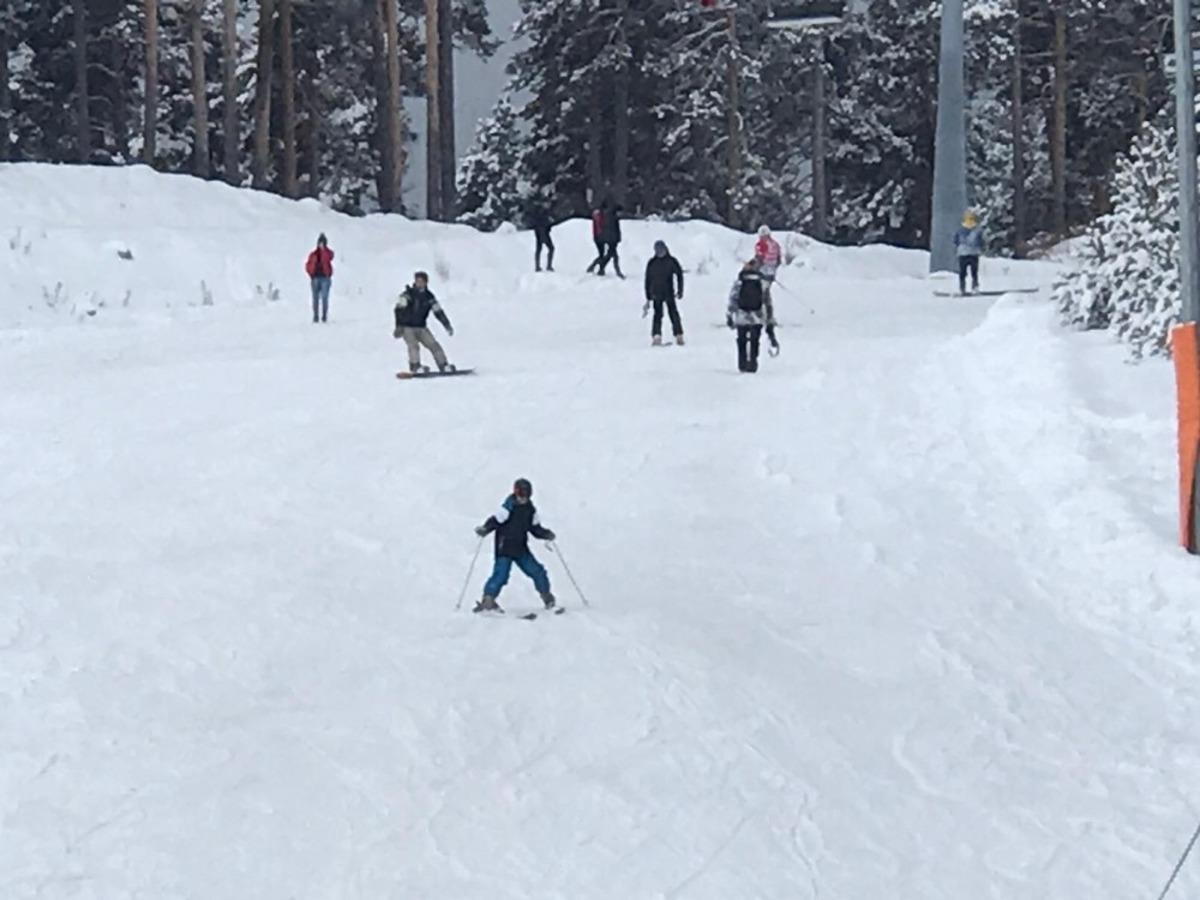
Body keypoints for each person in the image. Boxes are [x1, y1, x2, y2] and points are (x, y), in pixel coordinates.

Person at [473, 478, 557, 614]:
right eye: (521, 494)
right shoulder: (508, 506)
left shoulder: (530, 510)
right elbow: (495, 520)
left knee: (537, 571)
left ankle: (547, 598)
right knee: (501, 575)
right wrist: (485, 529)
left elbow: (535, 528)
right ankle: (488, 601)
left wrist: (546, 534)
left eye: (526, 495)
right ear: (516, 492)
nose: (523, 498)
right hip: (504, 547)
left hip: (520, 548)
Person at [393, 271, 456, 374]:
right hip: (407, 327)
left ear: (426, 282)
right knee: (413, 346)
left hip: (421, 327)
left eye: (422, 281)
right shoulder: (408, 295)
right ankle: (415, 366)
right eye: (417, 281)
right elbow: (398, 310)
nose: (419, 283)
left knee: (434, 345)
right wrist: (399, 326)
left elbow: (438, 312)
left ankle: (443, 365)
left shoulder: (429, 297)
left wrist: (446, 325)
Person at [726, 259, 776, 374]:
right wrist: (769, 320)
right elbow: (767, 302)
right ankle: (753, 363)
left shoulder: (739, 281)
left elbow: (733, 299)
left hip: (742, 316)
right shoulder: (762, 282)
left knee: (741, 340)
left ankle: (742, 363)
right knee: (755, 340)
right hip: (757, 315)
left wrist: (730, 315)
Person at [644, 240, 685, 346]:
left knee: (673, 314)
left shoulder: (671, 261)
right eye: (658, 250)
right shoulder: (652, 263)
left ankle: (679, 335)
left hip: (668, 292)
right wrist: (648, 295)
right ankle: (656, 336)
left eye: (661, 250)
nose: (660, 252)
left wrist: (680, 290)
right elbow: (647, 279)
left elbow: (679, 275)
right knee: (657, 315)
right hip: (656, 293)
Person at [305, 233, 334, 323]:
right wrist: (311, 274)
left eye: (323, 243)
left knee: (324, 297)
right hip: (315, 278)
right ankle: (316, 316)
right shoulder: (313, 254)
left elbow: (330, 256)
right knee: (315, 298)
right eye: (320, 242)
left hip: (325, 278)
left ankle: (324, 316)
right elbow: (308, 265)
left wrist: (323, 251)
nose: (321, 244)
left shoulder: (327, 253)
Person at [954, 210, 985, 295]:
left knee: (963, 273)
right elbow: (981, 242)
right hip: (973, 254)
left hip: (962, 254)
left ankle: (962, 288)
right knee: (974, 272)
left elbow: (955, 241)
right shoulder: (977, 230)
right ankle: (974, 287)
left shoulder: (960, 230)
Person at [598, 200, 625, 278]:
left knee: (610, 255)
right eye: (620, 212)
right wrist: (614, 239)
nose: (621, 214)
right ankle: (618, 272)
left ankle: (601, 269)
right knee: (614, 256)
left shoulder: (612, 217)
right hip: (611, 239)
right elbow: (611, 230)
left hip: (612, 239)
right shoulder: (612, 218)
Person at [754, 225, 782, 297]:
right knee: (767, 290)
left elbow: (759, 259)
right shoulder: (776, 244)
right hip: (772, 271)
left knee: (760, 291)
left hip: (762, 272)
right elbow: (779, 259)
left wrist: (754, 268)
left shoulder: (760, 244)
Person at [528, 201, 555, 273]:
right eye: (547, 203)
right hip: (543, 232)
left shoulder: (539, 211)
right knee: (551, 248)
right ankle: (548, 266)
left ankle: (537, 266)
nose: (548, 205)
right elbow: (543, 223)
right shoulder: (543, 212)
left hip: (538, 232)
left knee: (539, 249)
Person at [586, 207, 606, 274]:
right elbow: (600, 228)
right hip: (600, 238)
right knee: (602, 255)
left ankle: (595, 267)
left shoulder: (595, 218)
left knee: (602, 254)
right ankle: (595, 267)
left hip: (597, 238)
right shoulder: (599, 218)